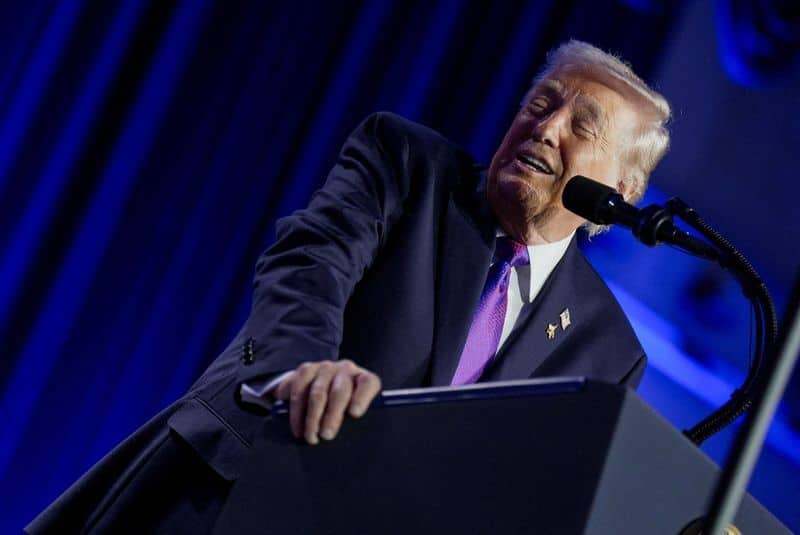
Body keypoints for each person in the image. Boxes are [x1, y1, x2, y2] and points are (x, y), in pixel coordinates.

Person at [27, 40, 671, 533]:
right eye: (540, 104)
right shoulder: (409, 165)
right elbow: (307, 266)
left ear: (623, 190)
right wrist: (304, 369)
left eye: (583, 126)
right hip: (230, 489)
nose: (547, 128)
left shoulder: (608, 349)